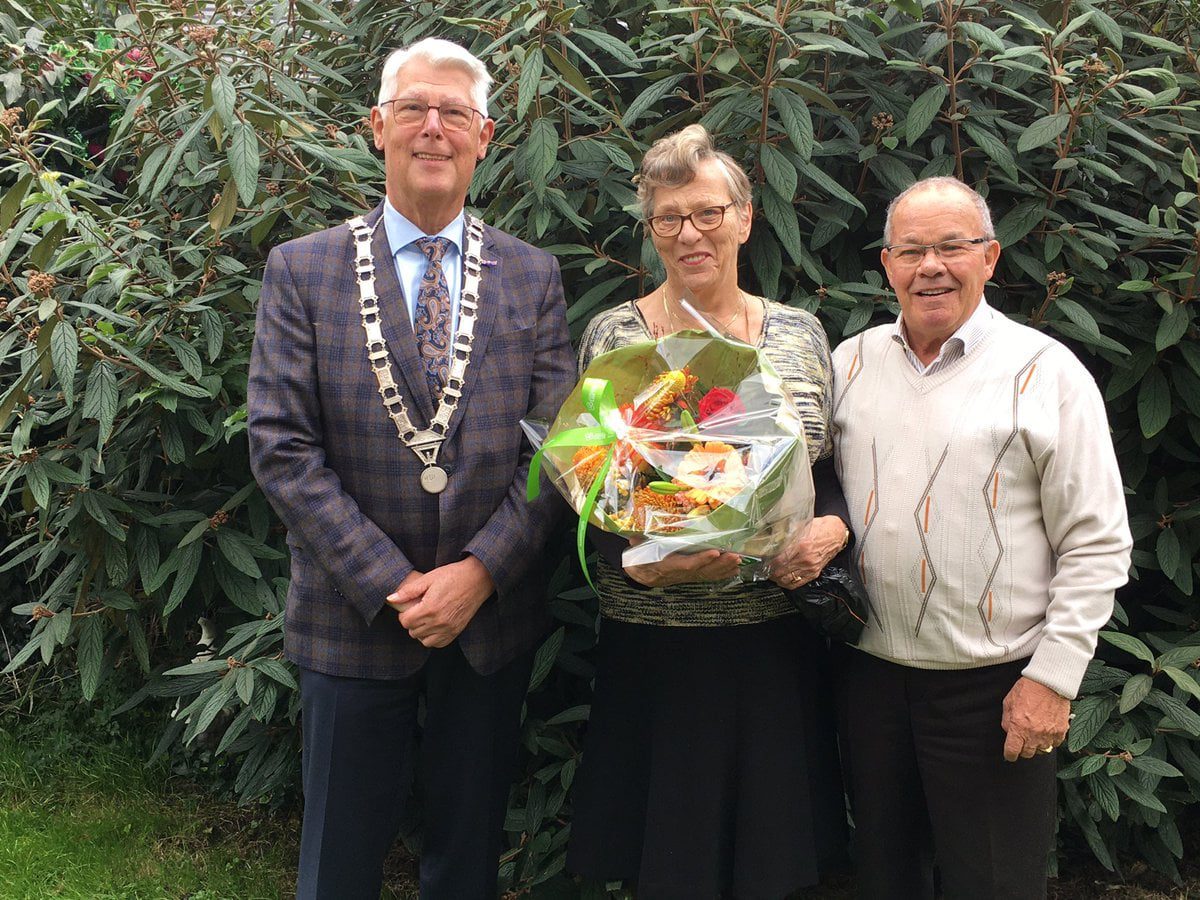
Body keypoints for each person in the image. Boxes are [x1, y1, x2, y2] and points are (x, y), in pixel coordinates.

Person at [246, 37, 574, 900]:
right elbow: (281, 447)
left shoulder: (533, 278)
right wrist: (395, 583)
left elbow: (558, 451)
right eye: (414, 110)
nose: (435, 128)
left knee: (467, 863)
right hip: (353, 618)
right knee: (338, 863)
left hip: (488, 624)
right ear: (377, 127)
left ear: (486, 135)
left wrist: (479, 573)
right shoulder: (302, 270)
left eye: (455, 113)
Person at [565, 124, 851, 899]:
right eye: (668, 217)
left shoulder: (800, 335)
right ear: (650, 228)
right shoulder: (614, 336)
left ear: (745, 217)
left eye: (707, 212)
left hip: (771, 644)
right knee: (668, 865)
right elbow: (589, 484)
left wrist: (833, 526)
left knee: (773, 866)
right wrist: (644, 564)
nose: (690, 233)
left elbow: (828, 472)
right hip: (654, 645)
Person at [830, 176, 1132, 899]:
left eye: (951, 247)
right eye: (910, 250)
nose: (929, 266)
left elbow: (1097, 541)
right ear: (887, 266)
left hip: (995, 689)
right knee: (884, 878)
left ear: (990, 258)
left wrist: (1053, 679)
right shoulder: (847, 364)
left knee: (992, 883)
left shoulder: (1046, 372)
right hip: (867, 678)